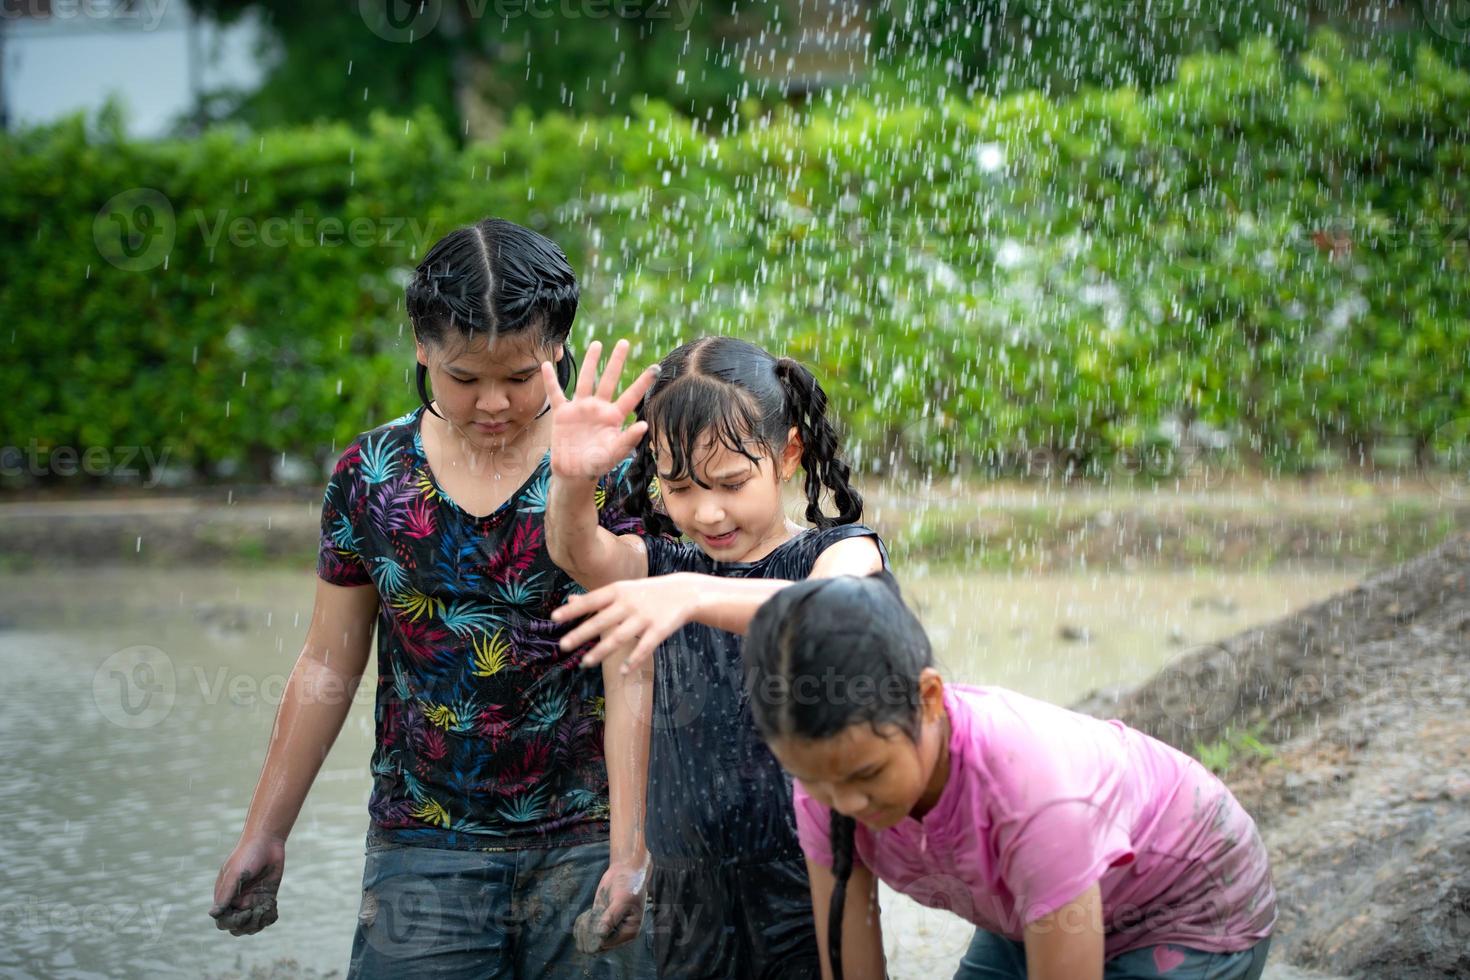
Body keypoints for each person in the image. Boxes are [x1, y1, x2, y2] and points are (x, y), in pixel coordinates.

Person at [208, 218, 655, 979]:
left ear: (557, 344)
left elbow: (632, 663)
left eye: (519, 378)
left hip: (586, 835)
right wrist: (265, 830)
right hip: (423, 842)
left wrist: (631, 853)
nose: (493, 404)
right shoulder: (371, 477)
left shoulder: (612, 468)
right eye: (463, 377)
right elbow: (327, 661)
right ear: (421, 345)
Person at [539, 335, 888, 979]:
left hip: (808, 871)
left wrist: (694, 594)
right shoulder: (661, 563)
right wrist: (571, 481)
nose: (706, 511)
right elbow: (577, 553)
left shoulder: (837, 550)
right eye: (678, 487)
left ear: (788, 455)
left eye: (731, 482)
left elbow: (843, 604)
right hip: (685, 883)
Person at [744, 573, 1277, 980]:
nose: (844, 802)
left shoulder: (1030, 790)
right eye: (813, 780)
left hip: (1190, 910)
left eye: (869, 774)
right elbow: (850, 965)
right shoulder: (826, 777)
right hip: (1043, 908)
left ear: (928, 699)